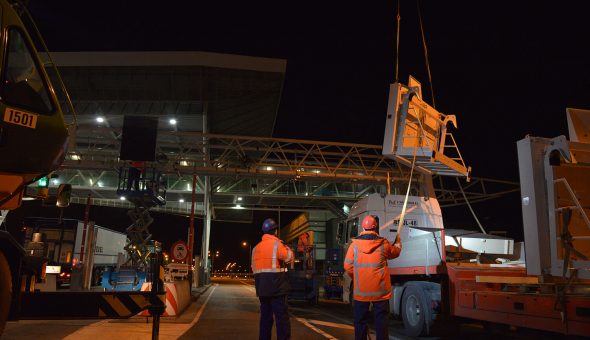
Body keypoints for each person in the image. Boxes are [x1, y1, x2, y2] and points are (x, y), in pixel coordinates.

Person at [344, 215, 402, 340]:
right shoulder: (383, 243)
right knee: (381, 322)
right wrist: (398, 242)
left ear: (363, 227)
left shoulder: (354, 245)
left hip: (361, 292)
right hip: (380, 292)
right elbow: (395, 252)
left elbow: (347, 266)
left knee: (360, 322)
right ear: (375, 227)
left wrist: (357, 277)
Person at [251, 218, 294, 340]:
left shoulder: (255, 249)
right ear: (275, 231)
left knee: (265, 319)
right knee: (282, 320)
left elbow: (254, 268)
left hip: (262, 289)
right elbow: (289, 258)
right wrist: (287, 247)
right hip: (277, 289)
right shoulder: (277, 245)